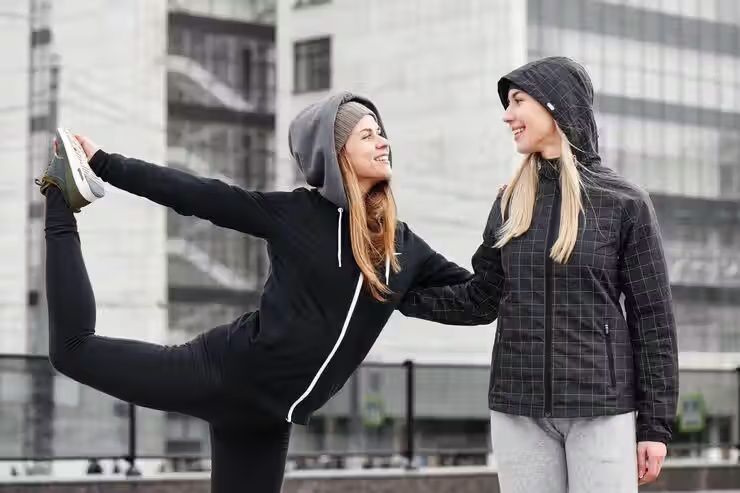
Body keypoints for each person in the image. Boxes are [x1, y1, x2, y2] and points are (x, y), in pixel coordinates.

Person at [35, 92, 473, 492]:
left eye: (381, 133)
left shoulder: (402, 247)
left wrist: (500, 238)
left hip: (269, 418)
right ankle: (60, 191)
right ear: (336, 152)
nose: (383, 142)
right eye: (367, 134)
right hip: (221, 374)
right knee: (72, 350)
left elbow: (476, 300)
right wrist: (105, 162)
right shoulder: (296, 214)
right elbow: (196, 195)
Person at [400, 57, 679, 493]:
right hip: (519, 409)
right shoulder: (510, 202)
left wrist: (655, 426)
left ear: (555, 106)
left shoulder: (623, 203)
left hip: (600, 408)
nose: (507, 115)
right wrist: (397, 295)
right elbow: (480, 299)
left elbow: (653, 320)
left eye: (518, 101)